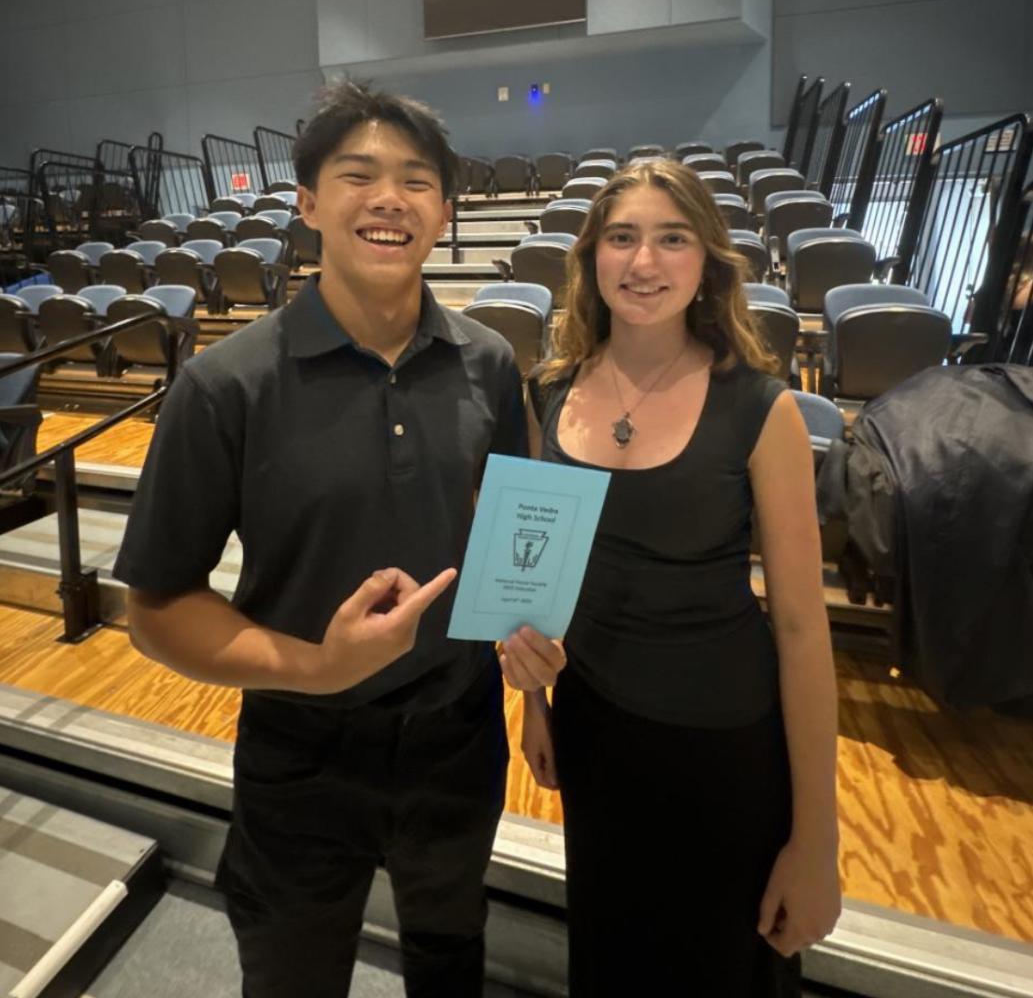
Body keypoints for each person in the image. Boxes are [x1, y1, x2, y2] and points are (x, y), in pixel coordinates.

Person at [114, 81, 564, 998]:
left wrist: (536, 697)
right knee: (292, 972)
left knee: (451, 948)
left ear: (444, 211)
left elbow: (516, 542)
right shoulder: (223, 384)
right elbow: (156, 608)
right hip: (300, 747)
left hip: (457, 733)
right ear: (309, 203)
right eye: (357, 175)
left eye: (416, 180)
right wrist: (319, 667)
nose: (389, 197)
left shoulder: (487, 361)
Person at [520, 158, 841, 997]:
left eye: (671, 239)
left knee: (718, 971)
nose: (643, 262)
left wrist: (817, 841)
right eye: (621, 238)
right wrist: (533, 702)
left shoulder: (761, 409)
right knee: (610, 957)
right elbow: (535, 580)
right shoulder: (549, 393)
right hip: (593, 731)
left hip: (723, 747)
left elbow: (801, 630)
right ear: (591, 256)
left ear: (707, 262)